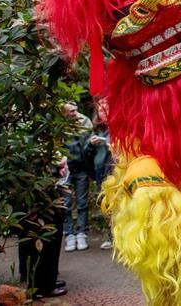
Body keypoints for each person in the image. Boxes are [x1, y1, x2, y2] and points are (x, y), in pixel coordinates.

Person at [17, 156, 68, 298]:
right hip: (41, 195)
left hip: (36, 192)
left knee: (39, 237)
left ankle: (42, 281)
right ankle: (43, 286)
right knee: (46, 238)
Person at [61, 102, 92, 252]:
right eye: (71, 111)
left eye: (76, 110)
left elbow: (89, 146)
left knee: (82, 202)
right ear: (64, 112)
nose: (75, 113)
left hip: (81, 168)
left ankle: (81, 232)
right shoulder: (58, 125)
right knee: (65, 203)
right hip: (64, 170)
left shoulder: (85, 121)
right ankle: (69, 234)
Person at [86, 98, 113, 250]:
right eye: (101, 109)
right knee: (105, 205)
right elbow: (86, 153)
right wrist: (90, 144)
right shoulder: (97, 129)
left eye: (106, 108)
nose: (103, 111)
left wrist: (108, 143)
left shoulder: (119, 126)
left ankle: (120, 237)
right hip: (100, 172)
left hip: (115, 171)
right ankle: (110, 236)